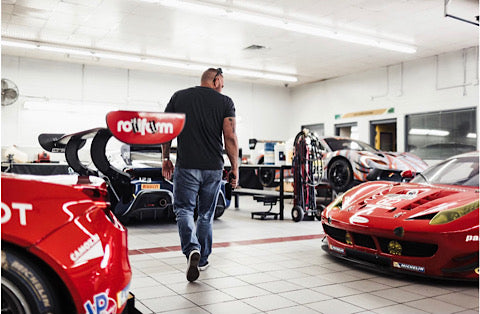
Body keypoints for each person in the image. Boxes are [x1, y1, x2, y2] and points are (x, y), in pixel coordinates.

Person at [162, 68, 239, 282]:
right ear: (215, 80)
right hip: (214, 167)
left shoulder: (179, 97)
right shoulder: (225, 102)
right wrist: (235, 168)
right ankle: (203, 259)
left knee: (184, 210)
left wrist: (165, 158)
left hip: (186, 166)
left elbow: (166, 130)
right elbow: (230, 136)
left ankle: (192, 250)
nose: (222, 88)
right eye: (222, 83)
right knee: (206, 215)